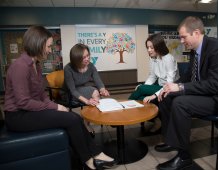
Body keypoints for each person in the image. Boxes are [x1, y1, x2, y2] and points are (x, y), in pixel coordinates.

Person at [3, 26, 116, 170]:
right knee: (71, 118)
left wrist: (55, 106)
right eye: (49, 46)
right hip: (17, 117)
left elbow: (41, 95)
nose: (50, 50)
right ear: (38, 44)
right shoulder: (20, 66)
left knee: (75, 117)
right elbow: (23, 102)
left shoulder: (35, 65)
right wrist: (56, 107)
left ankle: (95, 153)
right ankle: (88, 159)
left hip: (29, 111)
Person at [155, 16, 218, 170]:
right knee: (167, 97)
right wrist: (172, 86)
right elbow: (190, 77)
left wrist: (180, 88)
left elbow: (215, 85)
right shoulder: (196, 50)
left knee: (181, 103)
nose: (181, 41)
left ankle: (184, 157)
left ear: (196, 32)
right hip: (207, 93)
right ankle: (171, 141)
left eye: (183, 37)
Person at [128, 33, 179, 133]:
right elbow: (152, 76)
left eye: (151, 47)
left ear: (158, 46)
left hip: (170, 89)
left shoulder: (168, 58)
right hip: (159, 86)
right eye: (148, 47)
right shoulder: (152, 58)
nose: (149, 50)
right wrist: (145, 86)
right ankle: (157, 120)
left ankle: (124, 110)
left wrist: (153, 95)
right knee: (141, 98)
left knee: (141, 89)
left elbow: (169, 83)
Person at [63, 43, 110, 134]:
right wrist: (87, 101)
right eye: (84, 57)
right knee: (94, 93)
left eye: (88, 55)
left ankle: (87, 121)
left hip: (81, 89)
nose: (87, 58)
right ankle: (90, 121)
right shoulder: (68, 68)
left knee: (96, 93)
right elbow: (72, 90)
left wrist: (103, 90)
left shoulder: (91, 66)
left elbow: (98, 81)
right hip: (68, 93)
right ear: (76, 59)